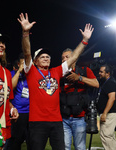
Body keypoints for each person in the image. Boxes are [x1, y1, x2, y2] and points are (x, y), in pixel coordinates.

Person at [17, 13, 94, 150]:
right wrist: (25, 32)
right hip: (37, 122)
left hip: (56, 121)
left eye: (48, 56)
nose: (46, 58)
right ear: (35, 61)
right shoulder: (31, 71)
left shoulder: (56, 71)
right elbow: (27, 52)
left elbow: (73, 57)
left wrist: (84, 41)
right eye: (42, 57)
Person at [60, 48, 99, 150]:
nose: (64, 60)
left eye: (67, 57)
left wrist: (79, 78)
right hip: (64, 118)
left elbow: (96, 84)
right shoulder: (59, 74)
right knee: (65, 147)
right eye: (62, 58)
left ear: (75, 58)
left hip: (79, 118)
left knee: (80, 147)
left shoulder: (84, 70)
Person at [8, 53, 30, 150]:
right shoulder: (12, 74)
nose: (25, 65)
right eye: (23, 63)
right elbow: (10, 87)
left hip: (31, 112)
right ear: (18, 64)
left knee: (31, 139)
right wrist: (19, 71)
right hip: (18, 112)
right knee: (16, 139)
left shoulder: (32, 75)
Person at [97, 64, 116, 150]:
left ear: (108, 73)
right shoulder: (107, 82)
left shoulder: (110, 82)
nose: (99, 73)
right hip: (109, 113)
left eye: (101, 72)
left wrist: (105, 113)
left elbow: (112, 98)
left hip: (110, 114)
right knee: (109, 136)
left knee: (106, 135)